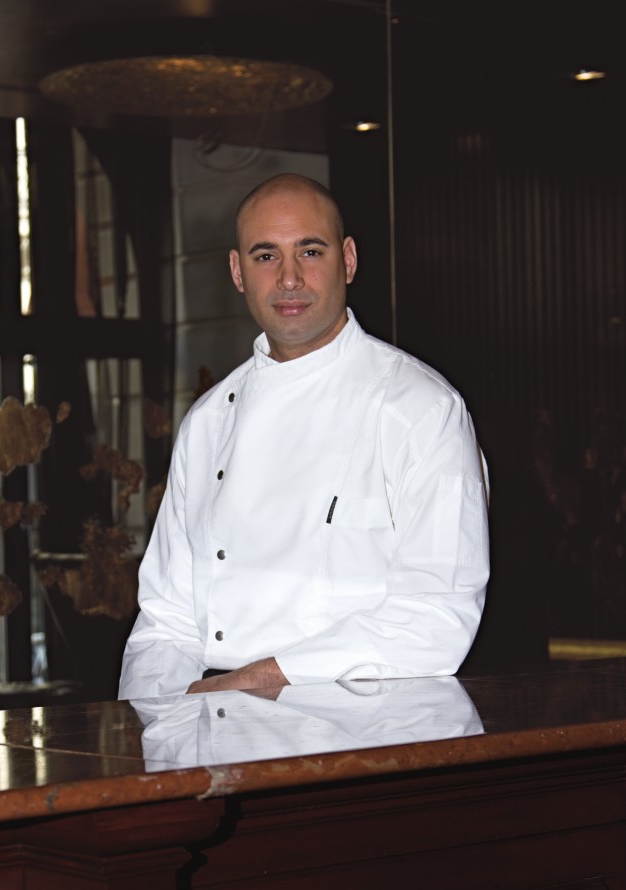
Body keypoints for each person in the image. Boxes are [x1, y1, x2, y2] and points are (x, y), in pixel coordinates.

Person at [119, 173, 489, 702]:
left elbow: (436, 617)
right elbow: (165, 621)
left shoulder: (420, 409)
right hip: (211, 725)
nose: (289, 278)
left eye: (310, 252)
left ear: (349, 260)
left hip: (365, 729)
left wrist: (250, 681)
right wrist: (149, 725)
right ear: (237, 271)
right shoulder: (207, 422)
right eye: (266, 256)